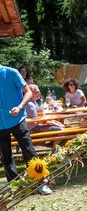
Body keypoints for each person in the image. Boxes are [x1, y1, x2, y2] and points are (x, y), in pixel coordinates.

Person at [0, 64, 51, 194]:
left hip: (18, 120)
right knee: (6, 157)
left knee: (28, 151)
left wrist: (20, 107)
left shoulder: (11, 72)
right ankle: (15, 187)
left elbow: (28, 92)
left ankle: (41, 182)